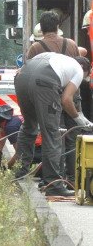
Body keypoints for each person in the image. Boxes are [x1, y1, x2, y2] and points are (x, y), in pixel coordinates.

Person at [14, 53, 93, 197]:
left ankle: (20, 173)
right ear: (84, 68)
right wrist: (78, 119)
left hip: (22, 78)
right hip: (44, 81)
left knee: (29, 127)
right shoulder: (79, 70)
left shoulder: (60, 59)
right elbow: (66, 99)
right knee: (51, 133)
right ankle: (53, 184)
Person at [26, 11, 82, 180]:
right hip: (72, 97)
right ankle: (73, 179)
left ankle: (58, 178)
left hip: (51, 99)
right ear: (58, 27)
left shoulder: (36, 47)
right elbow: (77, 67)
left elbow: (31, 74)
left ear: (41, 29)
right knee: (74, 136)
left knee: (55, 137)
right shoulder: (71, 44)